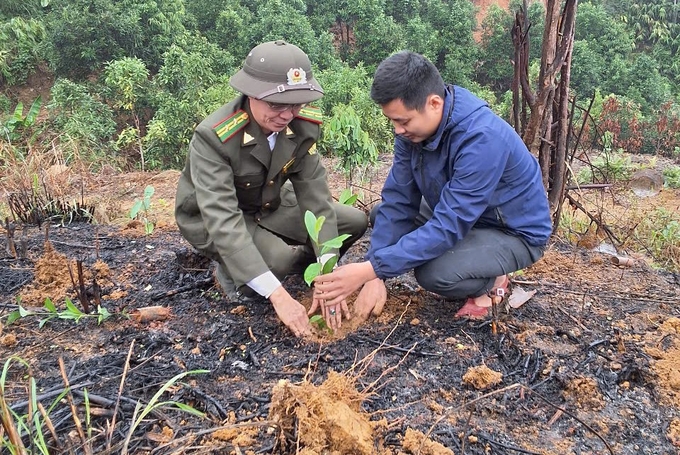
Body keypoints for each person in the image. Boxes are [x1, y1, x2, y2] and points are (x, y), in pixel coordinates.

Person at [312, 50, 552, 321]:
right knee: (381, 214)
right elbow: (399, 200)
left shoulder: (482, 138)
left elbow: (450, 225)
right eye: (392, 121)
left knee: (434, 274)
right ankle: (474, 260)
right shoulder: (412, 133)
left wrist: (371, 269)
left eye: (402, 121)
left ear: (434, 103)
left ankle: (492, 283)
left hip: (511, 231)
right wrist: (374, 274)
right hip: (466, 214)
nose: (397, 130)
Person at [175, 40, 368, 337]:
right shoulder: (215, 137)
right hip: (214, 218)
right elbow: (222, 219)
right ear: (251, 94)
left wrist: (326, 276)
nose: (287, 114)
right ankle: (237, 272)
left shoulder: (302, 126)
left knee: (352, 221)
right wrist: (278, 296)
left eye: (296, 103)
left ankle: (292, 269)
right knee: (277, 261)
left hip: (268, 204)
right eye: (276, 104)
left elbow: (316, 198)